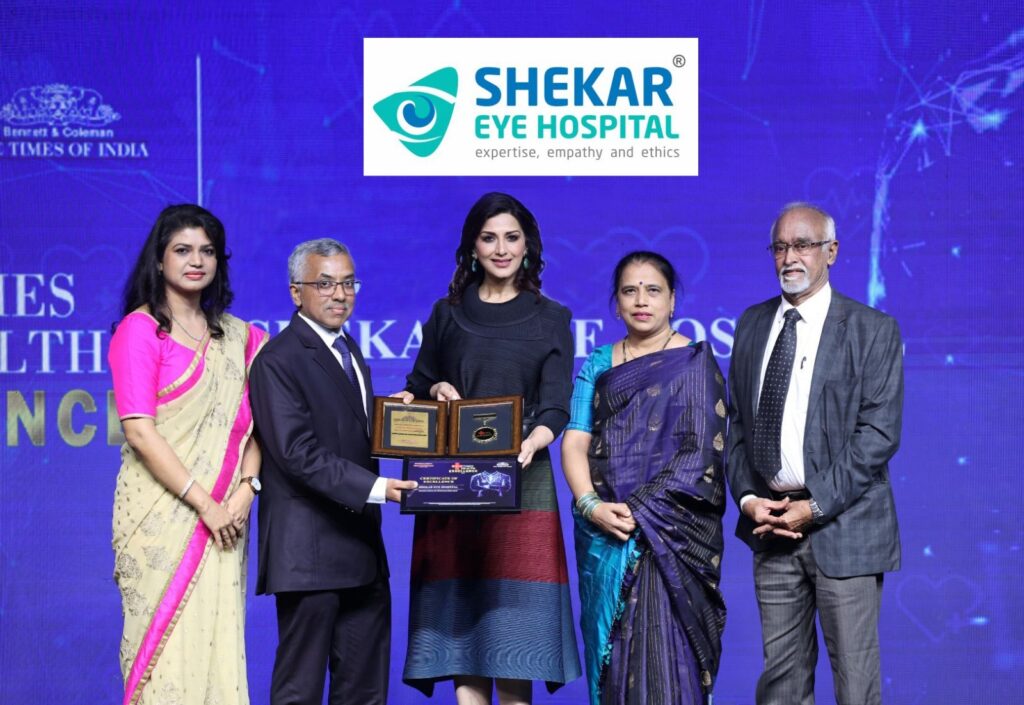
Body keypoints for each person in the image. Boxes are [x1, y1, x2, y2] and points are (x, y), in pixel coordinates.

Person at [396, 192, 581, 704]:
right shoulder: (446, 314)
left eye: (511, 238)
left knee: (516, 639)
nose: (501, 249)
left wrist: (534, 440)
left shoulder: (552, 317)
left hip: (524, 480)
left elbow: (556, 407)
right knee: (462, 632)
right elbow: (419, 385)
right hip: (453, 486)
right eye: (489, 238)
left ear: (528, 245)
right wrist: (435, 390)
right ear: (472, 247)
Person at [726, 203, 903, 705]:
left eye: (803, 245)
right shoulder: (752, 323)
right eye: (780, 247)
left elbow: (878, 434)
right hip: (772, 528)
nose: (790, 257)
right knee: (781, 685)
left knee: (855, 684)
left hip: (845, 528)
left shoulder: (872, 328)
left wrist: (815, 505)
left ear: (832, 251)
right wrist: (749, 500)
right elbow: (736, 424)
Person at [110, 203, 267, 705]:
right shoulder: (140, 330)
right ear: (159, 261)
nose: (196, 261)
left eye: (207, 251)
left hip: (227, 516)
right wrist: (206, 504)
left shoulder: (242, 339)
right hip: (163, 516)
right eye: (182, 250)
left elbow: (259, 427)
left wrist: (246, 489)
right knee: (164, 656)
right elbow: (140, 432)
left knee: (215, 646)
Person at [248, 238, 416, 705]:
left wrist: (399, 416)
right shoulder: (277, 360)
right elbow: (297, 453)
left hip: (362, 551)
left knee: (364, 693)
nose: (340, 294)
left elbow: (343, 425)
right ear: (296, 292)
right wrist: (380, 488)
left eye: (348, 283)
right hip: (309, 557)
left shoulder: (348, 349)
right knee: (299, 692)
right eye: (324, 284)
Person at [561, 251, 727, 705]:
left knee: (669, 666)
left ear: (672, 300)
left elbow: (701, 454)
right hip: (605, 531)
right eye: (629, 291)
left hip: (673, 533)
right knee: (616, 663)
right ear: (616, 304)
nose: (641, 300)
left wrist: (640, 510)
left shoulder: (694, 362)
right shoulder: (599, 362)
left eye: (653, 290)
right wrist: (591, 505)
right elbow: (575, 441)